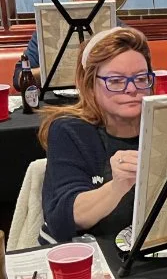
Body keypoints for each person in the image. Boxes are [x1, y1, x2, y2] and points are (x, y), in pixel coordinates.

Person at [37, 27, 155, 244]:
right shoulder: (70, 131)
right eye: (116, 81)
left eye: (141, 78)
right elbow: (65, 218)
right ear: (90, 85)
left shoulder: (162, 125)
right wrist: (116, 187)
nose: (132, 89)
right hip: (83, 254)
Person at [22, 0, 126, 83]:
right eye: (80, 6)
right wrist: (58, 70)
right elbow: (19, 78)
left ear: (111, 1)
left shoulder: (122, 32)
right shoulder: (49, 29)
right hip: (56, 98)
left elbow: (141, 73)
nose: (87, 15)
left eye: (94, 8)